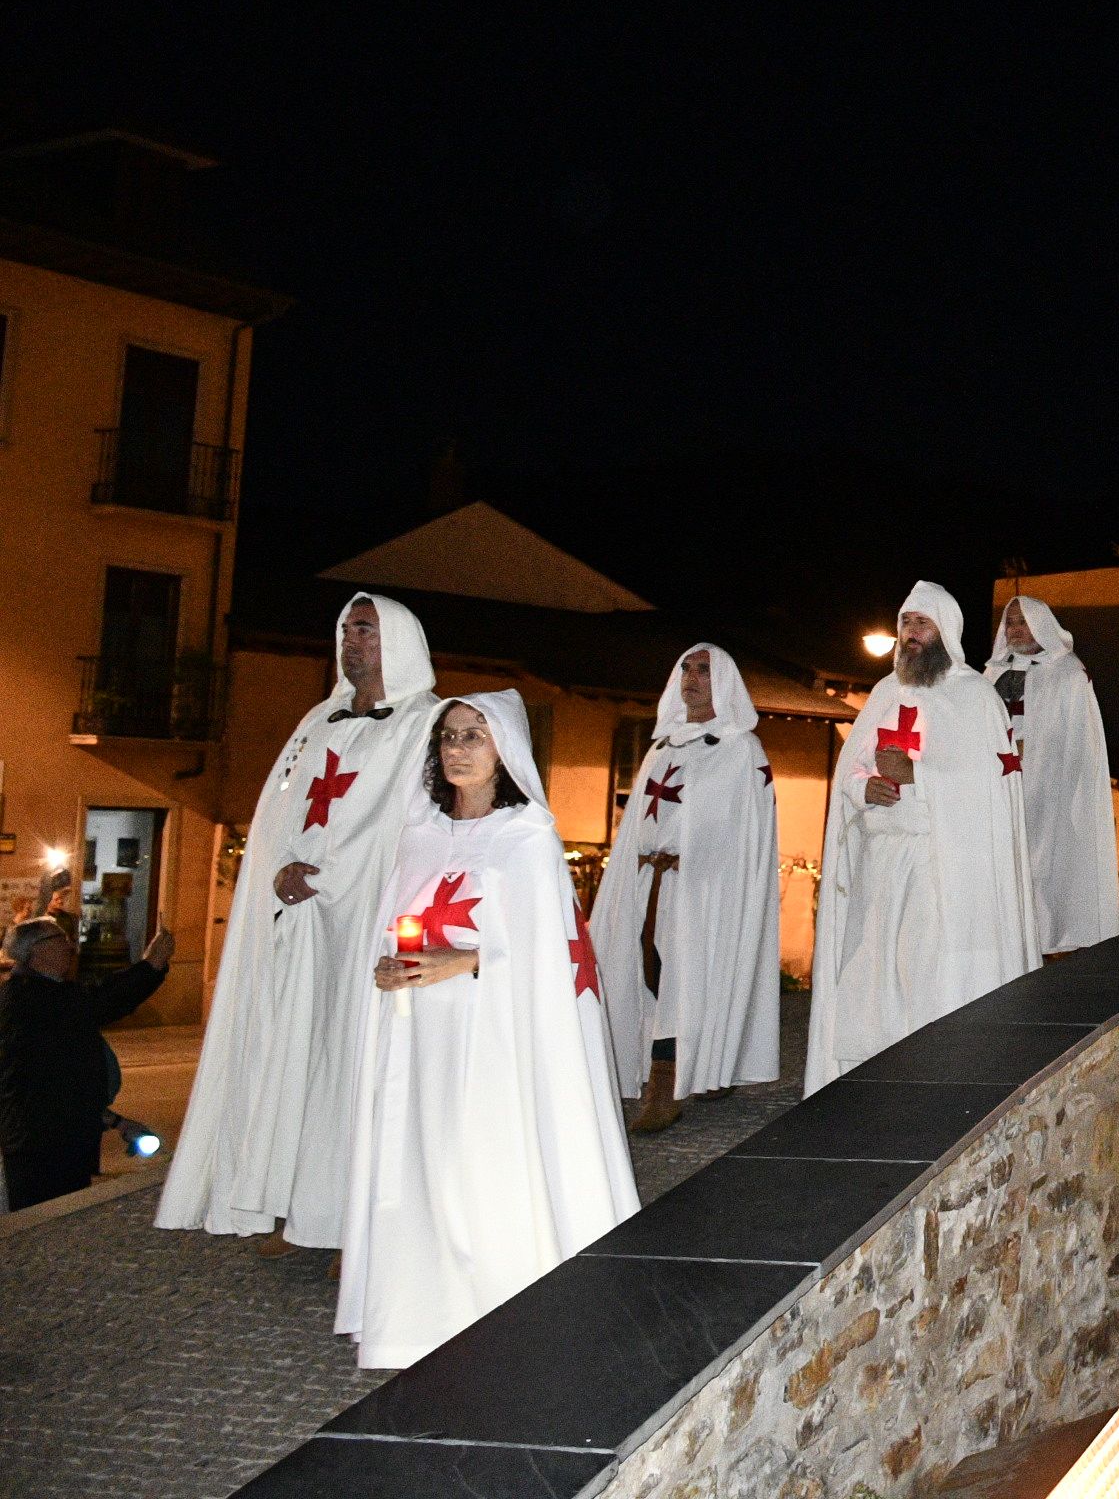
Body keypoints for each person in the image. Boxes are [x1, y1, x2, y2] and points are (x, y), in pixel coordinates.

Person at [336, 692, 636, 1371]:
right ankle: (414, 1313)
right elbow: (392, 923)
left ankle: (492, 1309)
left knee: (481, 1162)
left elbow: (545, 954)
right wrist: (387, 967)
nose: (458, 748)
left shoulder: (526, 838)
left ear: (504, 749)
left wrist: (466, 959)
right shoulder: (416, 836)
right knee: (420, 1159)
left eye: (474, 735)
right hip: (417, 1034)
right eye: (448, 736)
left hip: (493, 1032)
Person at [160, 593, 440, 1254]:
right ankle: (296, 1206)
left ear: (398, 640)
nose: (352, 640)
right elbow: (284, 811)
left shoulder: (423, 725)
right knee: (295, 1060)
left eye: (366, 630)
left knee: (356, 1065)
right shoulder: (319, 719)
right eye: (346, 627)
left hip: (364, 920)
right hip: (303, 923)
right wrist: (281, 868)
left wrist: (329, 874)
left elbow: (407, 820)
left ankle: (358, 1227)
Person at [806, 583, 1036, 1093]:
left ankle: (932, 1081)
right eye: (905, 623)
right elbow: (851, 772)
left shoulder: (975, 697)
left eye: (922, 623)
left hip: (938, 868)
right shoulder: (886, 694)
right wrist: (865, 786)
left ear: (945, 631)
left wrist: (918, 776)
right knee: (874, 974)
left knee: (925, 971)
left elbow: (987, 787)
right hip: (881, 865)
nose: (911, 634)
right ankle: (873, 1081)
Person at [592, 644, 781, 1135]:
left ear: (726, 681)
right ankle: (658, 1070)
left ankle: (667, 1085)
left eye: (704, 670)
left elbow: (746, 831)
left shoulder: (741, 749)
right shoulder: (662, 748)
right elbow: (637, 823)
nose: (692, 678)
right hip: (650, 881)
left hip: (706, 888)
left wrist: (699, 866)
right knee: (648, 971)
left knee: (688, 975)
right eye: (686, 669)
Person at [0, 917, 174, 1210]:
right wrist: (151, 965)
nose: (70, 946)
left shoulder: (37, 994)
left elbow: (63, 1084)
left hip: (49, 1141)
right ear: (37, 952)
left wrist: (117, 1123)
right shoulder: (33, 999)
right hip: (45, 1149)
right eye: (60, 939)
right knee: (47, 1224)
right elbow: (103, 1001)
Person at [984, 596, 1119, 956]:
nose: (1014, 629)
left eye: (1023, 621)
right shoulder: (991, 674)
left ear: (1041, 624)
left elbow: (1080, 740)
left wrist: (1039, 755)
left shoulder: (1068, 672)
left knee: (1048, 872)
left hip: (1052, 792)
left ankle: (1049, 949)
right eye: (1010, 622)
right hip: (999, 787)